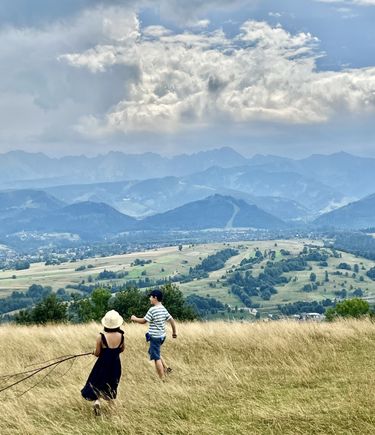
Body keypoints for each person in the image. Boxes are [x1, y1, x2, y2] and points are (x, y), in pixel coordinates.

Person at [81, 310, 125, 416]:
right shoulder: (121, 336)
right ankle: (112, 411)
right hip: (115, 365)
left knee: (97, 383)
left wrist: (94, 352)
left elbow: (97, 353)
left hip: (102, 365)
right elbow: (122, 349)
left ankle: (97, 402)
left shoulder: (101, 337)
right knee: (112, 385)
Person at [131, 289, 177, 379]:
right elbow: (171, 320)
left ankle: (162, 379)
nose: (150, 299)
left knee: (156, 358)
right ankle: (167, 368)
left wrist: (135, 318)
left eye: (151, 297)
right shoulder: (163, 309)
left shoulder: (152, 310)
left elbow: (144, 321)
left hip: (155, 337)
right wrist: (174, 332)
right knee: (154, 352)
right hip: (162, 336)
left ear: (155, 297)